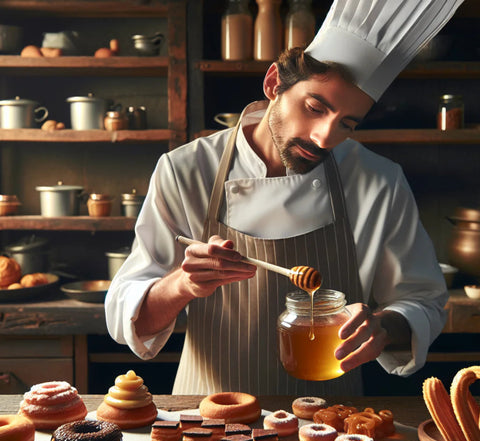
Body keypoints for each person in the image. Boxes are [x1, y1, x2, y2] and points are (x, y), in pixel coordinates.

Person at [105, 0, 464, 395]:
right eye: (315, 107)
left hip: (332, 427)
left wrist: (384, 326)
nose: (325, 137)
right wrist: (182, 285)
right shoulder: (186, 170)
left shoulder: (378, 181)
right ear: (274, 83)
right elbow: (129, 318)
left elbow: (423, 302)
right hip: (209, 423)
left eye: (347, 123)